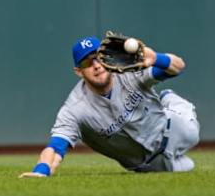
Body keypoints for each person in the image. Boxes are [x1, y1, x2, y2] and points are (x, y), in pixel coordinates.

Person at [19, 35, 200, 178]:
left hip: (172, 128)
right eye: (87, 62)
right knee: (188, 168)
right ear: (78, 72)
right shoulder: (75, 109)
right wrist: (41, 170)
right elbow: (56, 147)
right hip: (151, 164)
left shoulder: (128, 71)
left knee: (193, 133)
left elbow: (178, 67)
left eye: (98, 58)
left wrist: (155, 58)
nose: (96, 65)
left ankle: (168, 99)